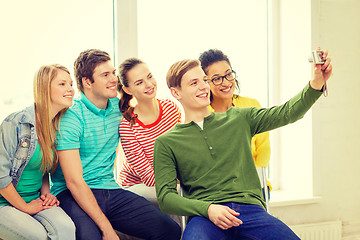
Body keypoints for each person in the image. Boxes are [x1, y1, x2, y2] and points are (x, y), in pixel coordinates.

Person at [153, 48, 332, 239]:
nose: (203, 87)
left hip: (251, 212)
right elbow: (166, 198)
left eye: (204, 80)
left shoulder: (239, 118)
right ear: (176, 92)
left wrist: (316, 83)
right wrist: (208, 209)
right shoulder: (166, 142)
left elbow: (287, 113)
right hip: (205, 218)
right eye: (193, 83)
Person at [50, 49, 181, 240]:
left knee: (169, 230)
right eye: (105, 75)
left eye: (113, 73)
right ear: (87, 81)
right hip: (72, 193)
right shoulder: (71, 117)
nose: (114, 79)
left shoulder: (118, 109)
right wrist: (107, 229)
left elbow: (145, 115)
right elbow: (74, 182)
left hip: (110, 190)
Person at [0, 64, 76, 240]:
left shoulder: (55, 126)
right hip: (4, 203)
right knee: (38, 236)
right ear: (44, 87)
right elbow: (1, 176)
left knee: (66, 229)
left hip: (35, 199)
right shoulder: (15, 123)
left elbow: (40, 168)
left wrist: (46, 193)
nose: (70, 89)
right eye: (62, 84)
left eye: (71, 84)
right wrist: (25, 208)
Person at [199, 49, 272, 198]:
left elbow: (264, 149)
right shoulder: (202, 114)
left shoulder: (252, 105)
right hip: (218, 190)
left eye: (228, 74)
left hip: (255, 184)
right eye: (217, 78)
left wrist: (253, 178)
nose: (226, 82)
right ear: (206, 82)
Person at [117, 57, 181, 203]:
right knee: (181, 193)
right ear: (127, 89)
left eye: (149, 76)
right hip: (137, 187)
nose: (149, 84)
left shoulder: (171, 108)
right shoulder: (128, 126)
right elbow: (149, 177)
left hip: (170, 181)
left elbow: (181, 153)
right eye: (139, 82)